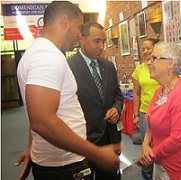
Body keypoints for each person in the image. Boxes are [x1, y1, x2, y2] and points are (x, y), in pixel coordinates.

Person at [15, 1, 119, 179]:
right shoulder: (47, 56)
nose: (79, 34)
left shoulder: (41, 53)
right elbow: (42, 120)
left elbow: (38, 110)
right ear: (65, 21)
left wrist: (32, 147)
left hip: (59, 160)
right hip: (64, 166)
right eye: (79, 27)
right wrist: (96, 152)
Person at [134, 42, 181, 179]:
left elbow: (177, 139)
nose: (149, 63)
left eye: (154, 58)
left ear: (170, 63)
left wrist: (150, 155)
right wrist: (145, 144)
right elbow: (151, 122)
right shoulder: (160, 91)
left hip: (180, 167)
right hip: (161, 163)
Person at [67, 21, 123, 179]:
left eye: (103, 41)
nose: (101, 46)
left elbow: (117, 95)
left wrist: (116, 109)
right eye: (96, 41)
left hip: (110, 137)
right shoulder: (68, 67)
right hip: (84, 140)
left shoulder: (108, 66)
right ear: (82, 39)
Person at [132, 38, 160, 180]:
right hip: (145, 114)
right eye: (143, 49)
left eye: (148, 48)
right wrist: (135, 115)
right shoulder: (139, 70)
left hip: (161, 113)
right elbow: (136, 94)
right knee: (146, 147)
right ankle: (147, 176)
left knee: (160, 146)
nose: (146, 51)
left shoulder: (161, 66)